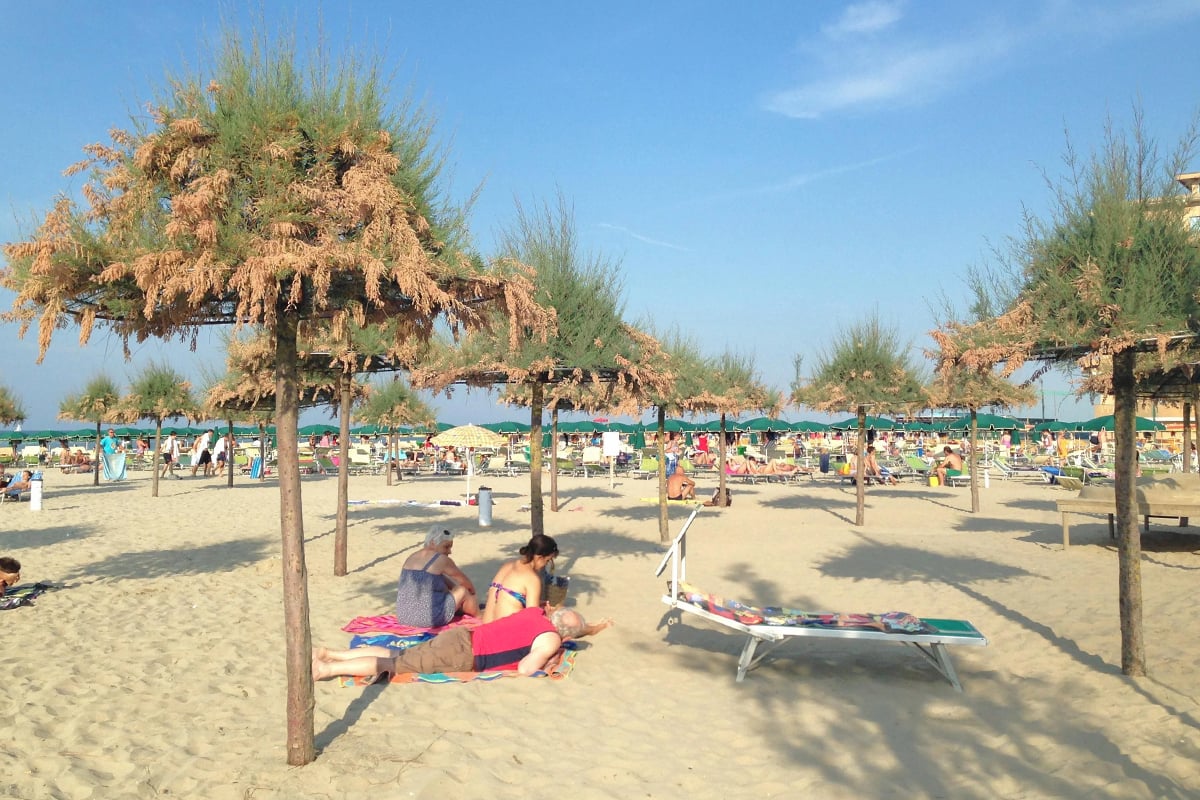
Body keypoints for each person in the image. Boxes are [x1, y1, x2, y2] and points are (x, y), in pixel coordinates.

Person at [312, 605, 612, 681]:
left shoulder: (536, 614)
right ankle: (326, 670)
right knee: (394, 664)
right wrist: (547, 660)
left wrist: (591, 627)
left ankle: (330, 654)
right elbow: (524, 669)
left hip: (462, 636)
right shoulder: (548, 639)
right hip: (464, 654)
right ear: (566, 637)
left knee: (397, 651)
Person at [394, 526, 478, 628]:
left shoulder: (411, 557)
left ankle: (462, 606)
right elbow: (465, 583)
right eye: (446, 547)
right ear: (433, 543)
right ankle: (479, 615)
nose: (449, 552)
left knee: (442, 580)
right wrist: (471, 595)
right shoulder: (441, 559)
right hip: (429, 618)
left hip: (404, 616)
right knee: (463, 590)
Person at [481, 533, 559, 624]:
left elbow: (506, 599)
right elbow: (533, 618)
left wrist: (537, 602)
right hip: (504, 633)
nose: (546, 565)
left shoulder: (507, 566)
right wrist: (548, 615)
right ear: (539, 557)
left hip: (485, 630)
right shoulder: (532, 578)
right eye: (548, 560)